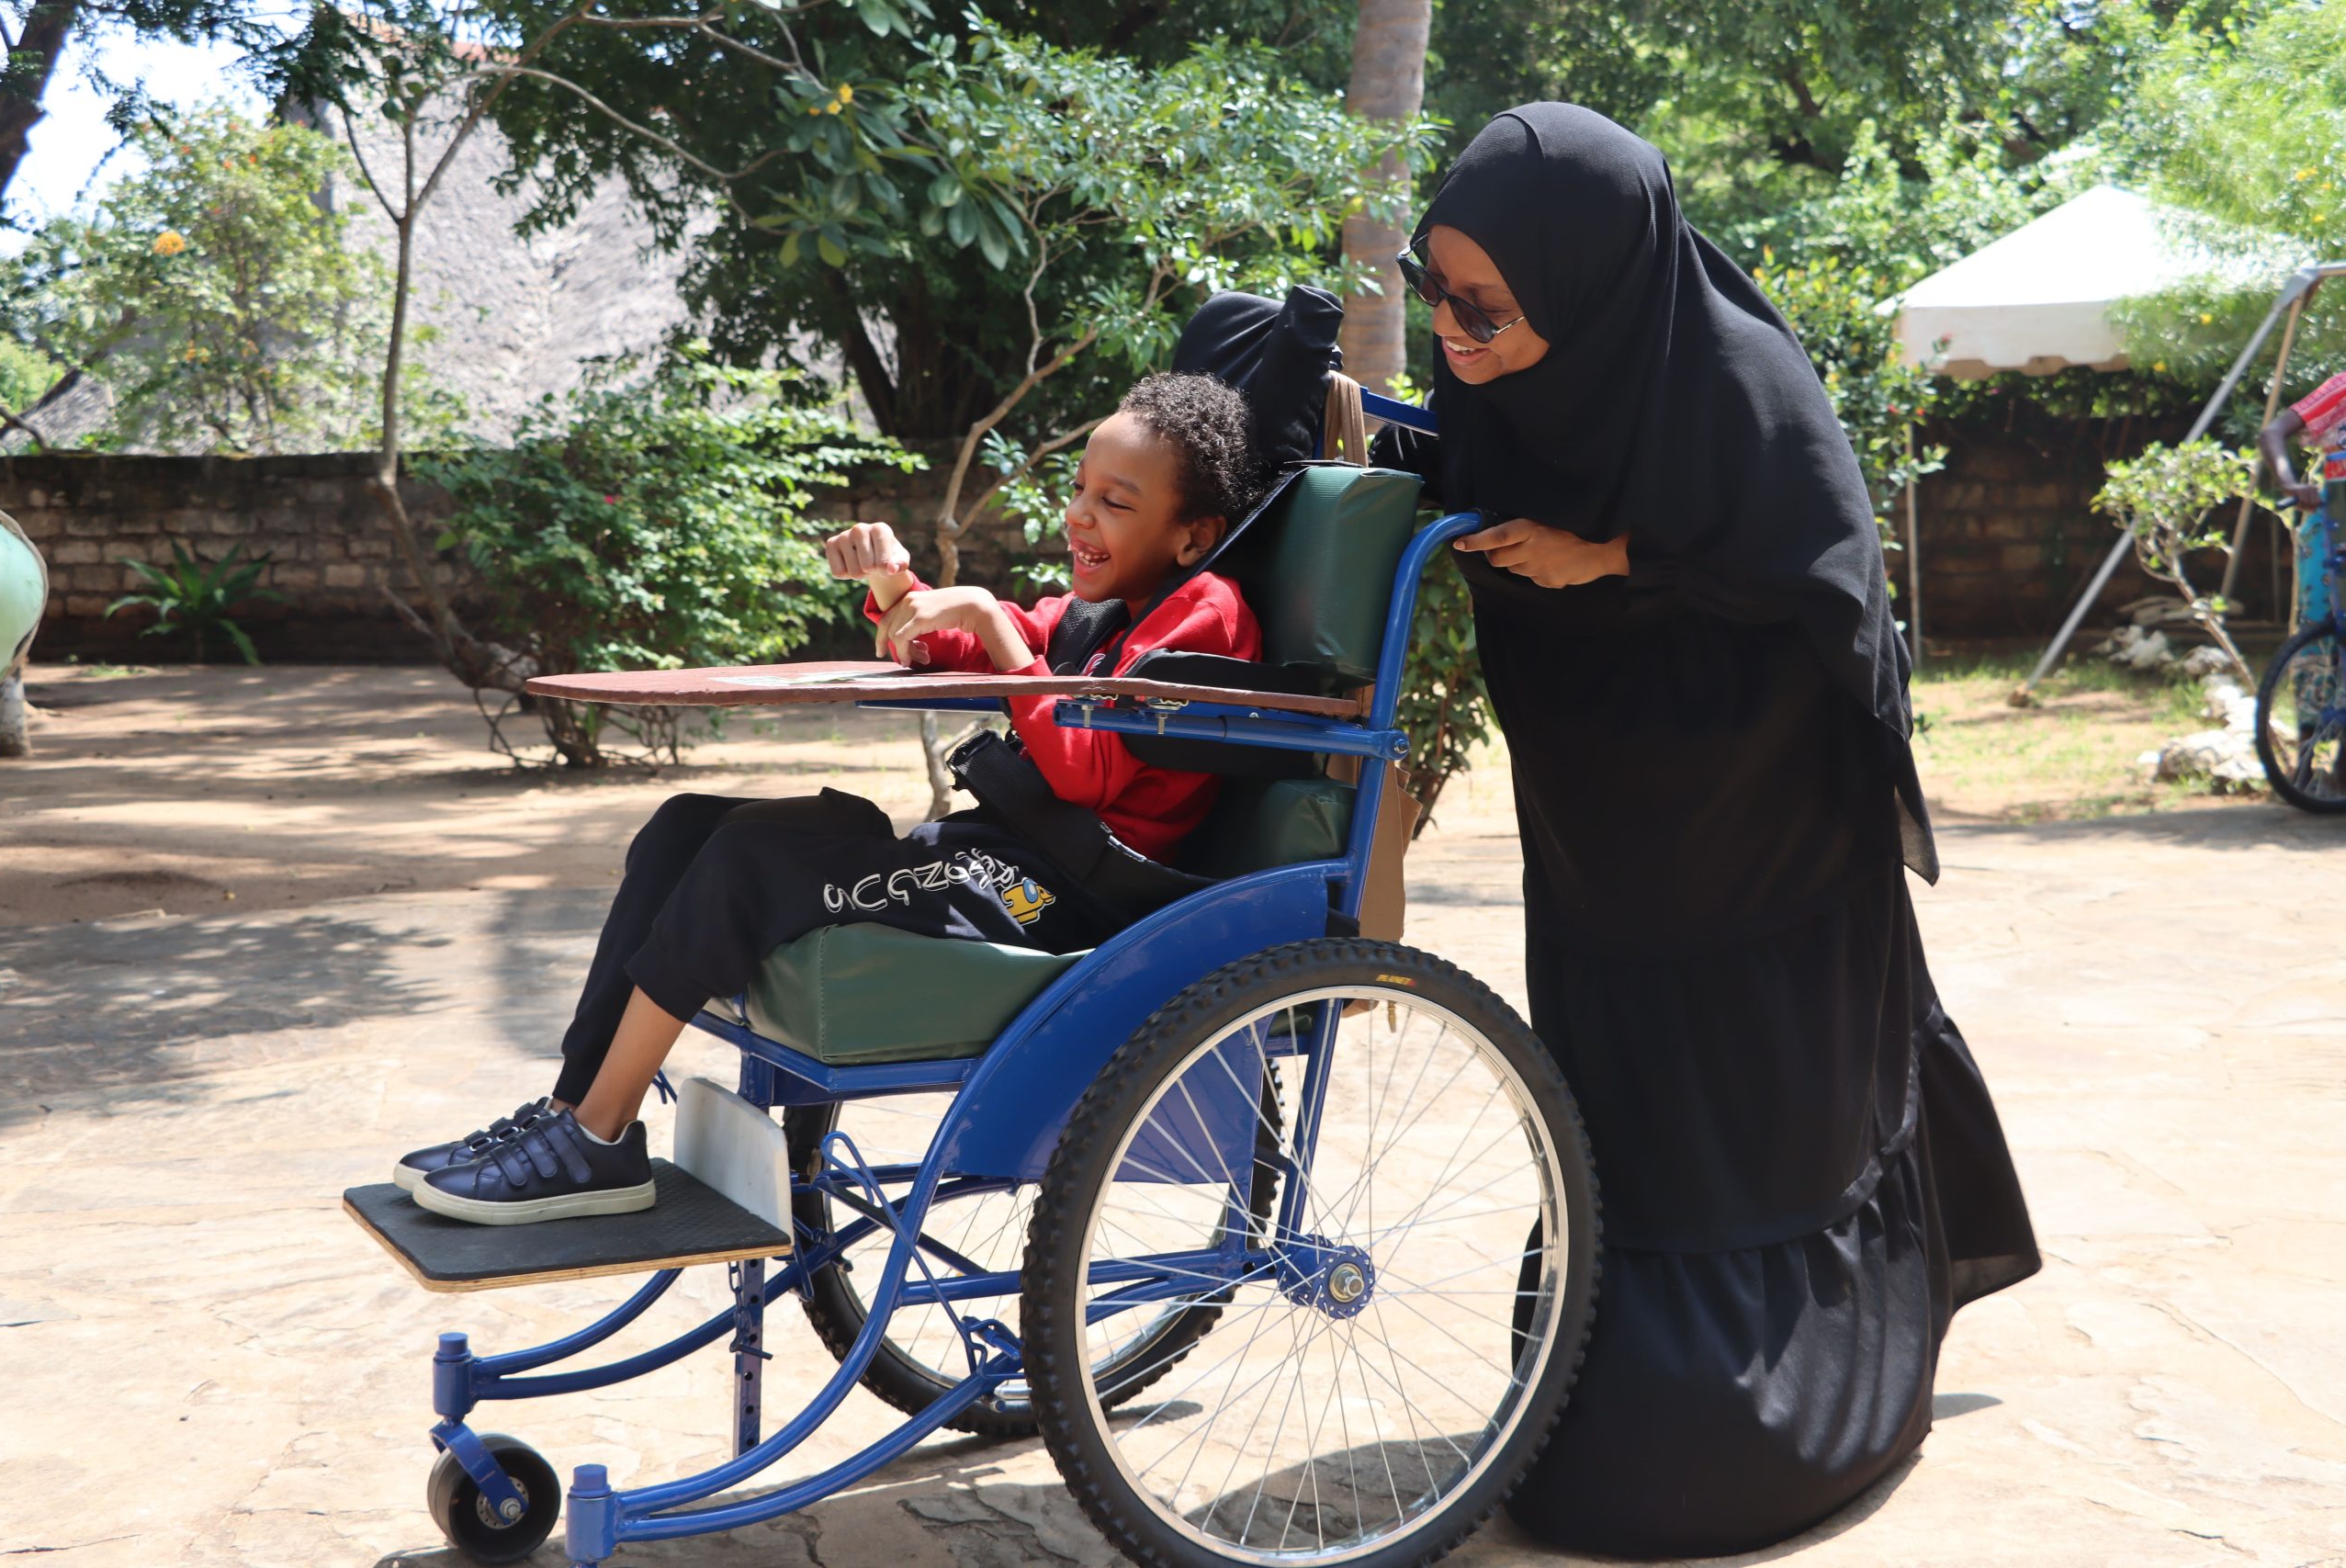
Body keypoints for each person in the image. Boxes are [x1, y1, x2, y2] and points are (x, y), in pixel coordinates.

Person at [1370, 105, 2040, 1556]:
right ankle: (1621, 1354)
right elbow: (1463, 475)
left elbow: (1825, 581)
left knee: (1762, 1098)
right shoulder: (1491, 379)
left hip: (1767, 819)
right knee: (1624, 1101)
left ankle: (1787, 1387)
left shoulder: (1737, 378)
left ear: (1593, 284)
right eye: (1436, 289)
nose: (1452, 329)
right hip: (1600, 819)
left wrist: (1613, 555)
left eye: (1485, 305)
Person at [394, 371, 1264, 1225]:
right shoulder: (1100, 612)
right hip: (986, 858)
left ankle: (597, 1136)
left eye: (1114, 502)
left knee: (748, 861)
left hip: (1060, 899)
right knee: (686, 826)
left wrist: (995, 627)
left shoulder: (1209, 613)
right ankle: (573, 1110)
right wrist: (895, 586)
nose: (1079, 514)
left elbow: (1083, 771)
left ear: (1193, 536)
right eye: (1078, 489)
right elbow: (954, 643)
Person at [2258, 368, 2346, 631]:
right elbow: (2272, 433)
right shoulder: (2341, 387)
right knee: (2321, 615)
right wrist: (2290, 484)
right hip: (2337, 522)